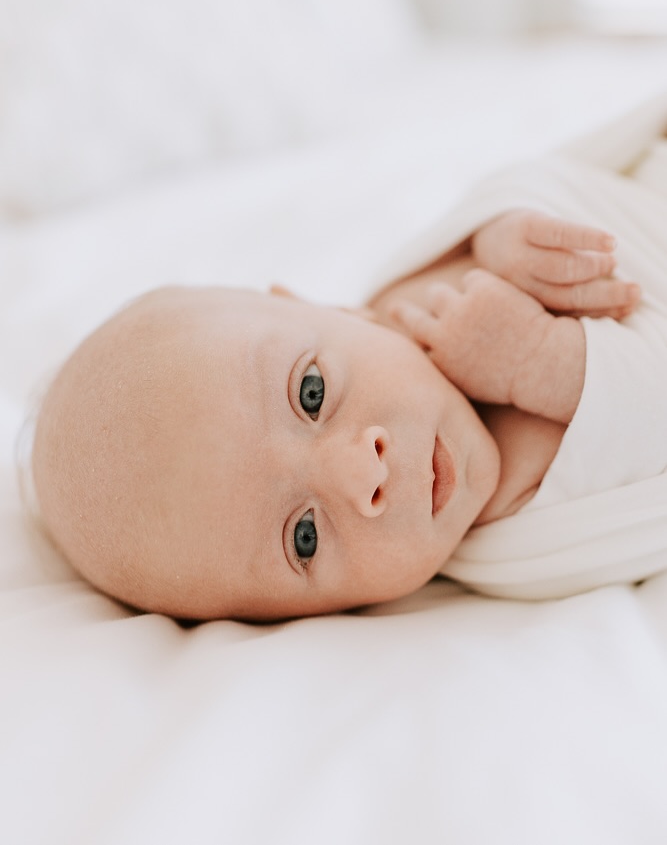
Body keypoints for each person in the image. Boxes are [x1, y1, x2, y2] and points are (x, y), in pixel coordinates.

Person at [31, 95, 667, 620]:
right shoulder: (512, 544)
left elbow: (546, 186)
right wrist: (541, 362)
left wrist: (506, 230)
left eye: (310, 395)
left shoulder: (407, 302)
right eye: (303, 538)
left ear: (330, 310)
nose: (363, 474)